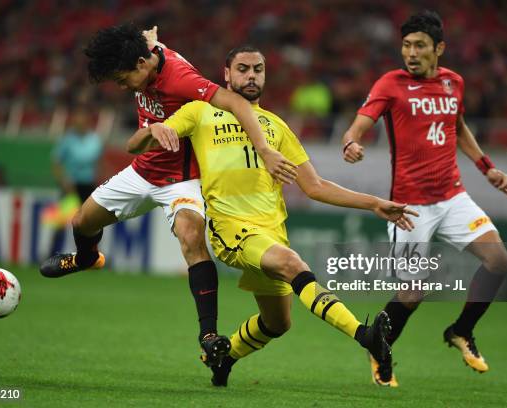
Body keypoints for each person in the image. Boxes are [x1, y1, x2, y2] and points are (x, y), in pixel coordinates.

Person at [130, 45, 419, 387]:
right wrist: (153, 132)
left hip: (271, 232)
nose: (251, 76)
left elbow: (314, 186)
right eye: (242, 69)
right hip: (232, 229)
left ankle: (224, 358)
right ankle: (366, 335)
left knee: (278, 323)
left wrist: (372, 203)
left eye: (258, 69)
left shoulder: (276, 126)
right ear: (226, 74)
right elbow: (136, 145)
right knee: (294, 264)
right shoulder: (199, 111)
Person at [39, 23, 297, 366]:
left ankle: (208, 335)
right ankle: (87, 258)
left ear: (142, 66)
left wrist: (263, 149)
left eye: (122, 79)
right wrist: (150, 39)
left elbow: (235, 101)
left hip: (184, 178)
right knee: (82, 221)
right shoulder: (143, 52)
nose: (121, 86)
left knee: (192, 237)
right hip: (145, 169)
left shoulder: (181, 79)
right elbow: (149, 44)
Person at [341, 11, 507, 386]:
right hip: (409, 206)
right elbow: (359, 125)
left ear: (439, 48)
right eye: (406, 45)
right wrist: (351, 142)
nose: (411, 52)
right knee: (412, 291)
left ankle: (461, 331)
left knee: (498, 259)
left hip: (453, 196)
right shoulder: (391, 84)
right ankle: (380, 349)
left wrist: (487, 167)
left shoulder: (455, 82)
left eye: (419, 45)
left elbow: (458, 127)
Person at [48, 108, 103, 256]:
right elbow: (56, 162)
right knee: (61, 222)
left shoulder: (95, 139)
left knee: (92, 221)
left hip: (89, 185)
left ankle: (92, 255)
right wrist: (63, 181)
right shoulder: (68, 139)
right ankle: (52, 253)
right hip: (70, 186)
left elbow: (98, 163)